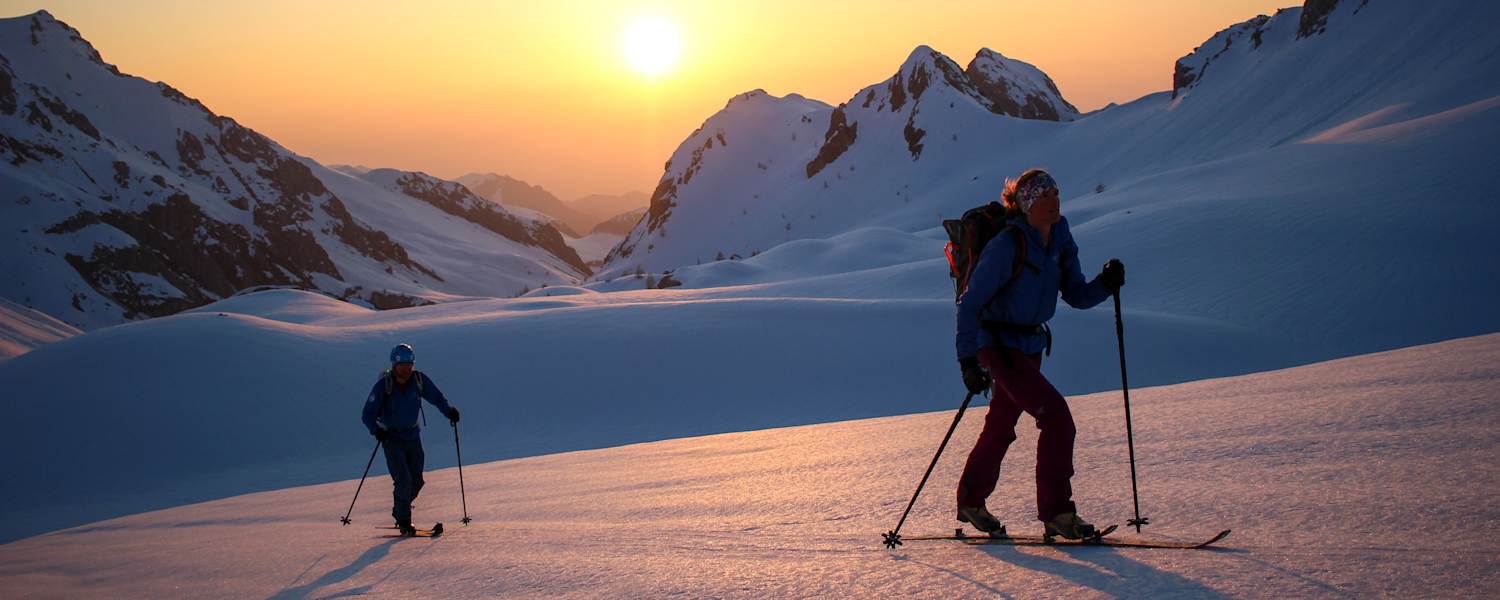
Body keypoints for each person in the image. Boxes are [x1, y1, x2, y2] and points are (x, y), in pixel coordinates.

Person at [953, 168, 1124, 540]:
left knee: (1000, 425)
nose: (1053, 202)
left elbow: (1076, 294)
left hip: (1030, 347)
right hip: (999, 346)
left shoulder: (1060, 238)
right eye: (1043, 196)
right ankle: (1058, 512)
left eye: (1055, 194)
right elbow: (970, 304)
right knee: (1057, 417)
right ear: (1026, 205)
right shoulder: (1007, 245)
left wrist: (1106, 285)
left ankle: (970, 499)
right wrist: (968, 360)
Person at [361, 343, 460, 536]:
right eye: (402, 364)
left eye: (409, 364)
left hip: (413, 436)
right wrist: (377, 430)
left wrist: (449, 412)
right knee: (404, 479)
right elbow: (367, 414)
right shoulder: (384, 385)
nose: (406, 368)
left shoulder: (419, 380)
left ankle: (400, 508)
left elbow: (436, 397)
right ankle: (404, 520)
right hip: (392, 438)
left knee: (417, 480)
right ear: (394, 365)